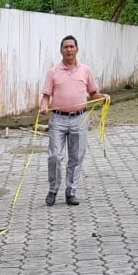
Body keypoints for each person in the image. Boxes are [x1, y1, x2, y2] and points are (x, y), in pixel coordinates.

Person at [39, 35, 109, 207]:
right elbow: (46, 96)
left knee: (76, 157)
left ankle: (71, 192)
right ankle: (53, 190)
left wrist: (103, 97)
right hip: (58, 119)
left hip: (80, 119)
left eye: (71, 46)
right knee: (55, 156)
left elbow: (93, 94)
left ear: (77, 49)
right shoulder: (53, 72)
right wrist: (44, 106)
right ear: (61, 50)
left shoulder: (85, 70)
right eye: (65, 47)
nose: (69, 49)